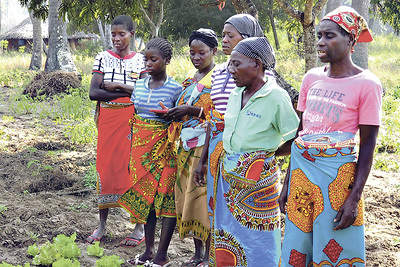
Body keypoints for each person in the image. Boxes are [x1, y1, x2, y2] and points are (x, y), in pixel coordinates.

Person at [279, 6, 383, 266]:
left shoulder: (367, 84)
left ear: (350, 40)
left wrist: (354, 199)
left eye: (329, 36)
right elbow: (300, 135)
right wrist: (287, 184)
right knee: (298, 243)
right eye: (319, 36)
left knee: (336, 247)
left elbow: (368, 147)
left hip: (337, 182)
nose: (321, 42)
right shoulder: (311, 78)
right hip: (302, 179)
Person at [203, 37, 299, 266]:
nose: (230, 70)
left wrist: (268, 155)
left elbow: (296, 136)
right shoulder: (236, 93)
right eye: (229, 64)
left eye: (236, 64)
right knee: (227, 233)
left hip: (258, 183)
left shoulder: (276, 97)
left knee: (260, 238)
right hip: (227, 180)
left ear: (257, 65)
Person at [193, 14, 269, 266]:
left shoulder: (257, 77)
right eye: (223, 34)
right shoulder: (218, 74)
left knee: (243, 213)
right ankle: (219, 259)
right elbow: (213, 119)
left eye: (230, 35)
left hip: (244, 152)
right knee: (219, 210)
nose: (224, 40)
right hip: (216, 146)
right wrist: (202, 159)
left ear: (247, 39)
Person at [117, 37, 182, 267]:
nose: (148, 63)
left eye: (153, 59)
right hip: (139, 151)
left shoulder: (176, 88)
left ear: (166, 60)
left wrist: (171, 116)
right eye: (145, 59)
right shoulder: (139, 86)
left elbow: (182, 119)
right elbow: (136, 117)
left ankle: (162, 255)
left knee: (165, 201)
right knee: (147, 200)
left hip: (164, 151)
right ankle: (148, 251)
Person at [88, 14, 145, 247]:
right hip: (109, 119)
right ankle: (102, 224)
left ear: (132, 34)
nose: (116, 39)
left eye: (121, 34)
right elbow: (94, 93)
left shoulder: (141, 60)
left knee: (133, 168)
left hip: (134, 120)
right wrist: (126, 93)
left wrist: (118, 86)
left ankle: (139, 225)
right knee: (106, 166)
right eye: (113, 34)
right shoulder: (102, 57)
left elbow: (144, 93)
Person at [166, 28, 218, 267]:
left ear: (214, 52)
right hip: (185, 146)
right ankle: (196, 254)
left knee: (204, 199)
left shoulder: (220, 78)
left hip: (205, 147)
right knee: (187, 198)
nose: (196, 58)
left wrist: (192, 111)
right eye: (192, 53)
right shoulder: (191, 78)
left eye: (202, 53)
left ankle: (208, 257)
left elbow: (221, 115)